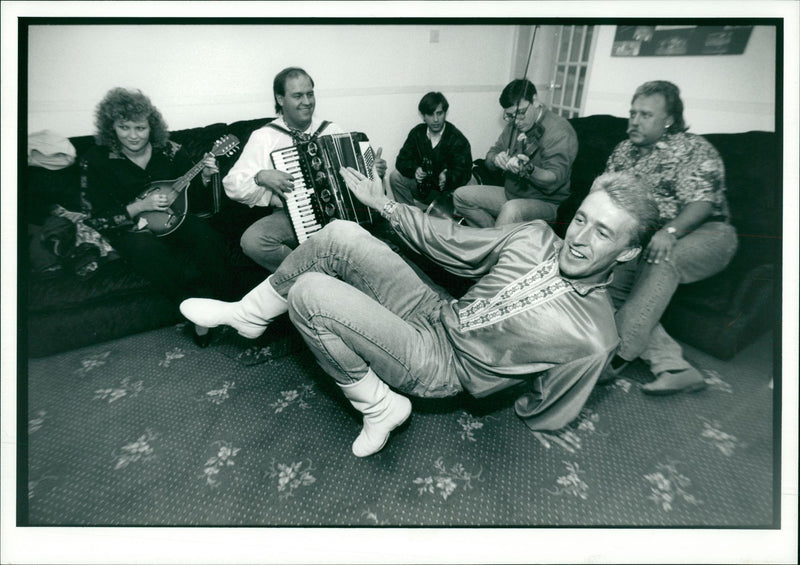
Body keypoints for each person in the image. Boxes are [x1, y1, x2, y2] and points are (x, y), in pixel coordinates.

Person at [180, 169, 659, 457]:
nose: (579, 238)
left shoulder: (596, 337)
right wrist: (384, 203)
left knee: (310, 294)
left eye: (602, 233)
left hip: (441, 367)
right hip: (436, 310)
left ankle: (380, 407)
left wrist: (508, 394)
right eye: (581, 219)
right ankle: (250, 313)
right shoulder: (534, 236)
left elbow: (550, 405)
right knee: (341, 233)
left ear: (627, 253)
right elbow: (453, 243)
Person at [601, 81, 739, 394]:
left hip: (708, 232)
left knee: (665, 258)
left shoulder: (693, 149)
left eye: (645, 114)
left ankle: (615, 358)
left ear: (669, 120)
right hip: (648, 237)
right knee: (608, 282)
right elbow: (606, 196)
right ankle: (674, 367)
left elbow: (703, 203)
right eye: (632, 112)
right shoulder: (623, 151)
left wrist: (670, 231)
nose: (634, 120)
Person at [81, 87, 236, 347]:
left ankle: (231, 307)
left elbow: (195, 200)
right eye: (124, 127)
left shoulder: (172, 151)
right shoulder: (96, 160)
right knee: (147, 250)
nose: (132, 135)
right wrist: (139, 206)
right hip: (130, 229)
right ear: (111, 127)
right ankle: (194, 314)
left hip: (174, 219)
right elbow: (96, 218)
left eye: (140, 128)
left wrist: (207, 178)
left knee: (206, 237)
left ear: (151, 127)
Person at [222, 66, 387, 272]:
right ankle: (317, 274)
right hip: (291, 214)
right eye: (298, 96)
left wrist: (373, 171)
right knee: (253, 241)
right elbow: (231, 185)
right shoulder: (264, 137)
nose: (307, 102)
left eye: (310, 94)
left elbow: (358, 175)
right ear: (280, 99)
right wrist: (260, 177)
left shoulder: (331, 129)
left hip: (341, 211)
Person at [452, 78, 578, 227]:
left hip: (547, 203)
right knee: (461, 196)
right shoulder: (513, 126)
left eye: (521, 113)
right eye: (511, 115)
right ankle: (491, 239)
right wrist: (495, 159)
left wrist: (530, 169)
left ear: (535, 101)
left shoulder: (559, 130)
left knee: (511, 210)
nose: (516, 121)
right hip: (511, 194)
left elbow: (554, 178)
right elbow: (492, 153)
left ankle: (494, 244)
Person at [389, 91, 473, 213]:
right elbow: (401, 160)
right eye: (430, 114)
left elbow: (465, 172)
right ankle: (409, 218)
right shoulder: (417, 133)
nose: (435, 119)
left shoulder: (457, 138)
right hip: (424, 188)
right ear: (423, 116)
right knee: (395, 177)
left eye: (439, 113)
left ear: (445, 113)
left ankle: (445, 217)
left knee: (468, 185)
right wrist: (414, 169)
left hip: (447, 193)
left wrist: (448, 177)